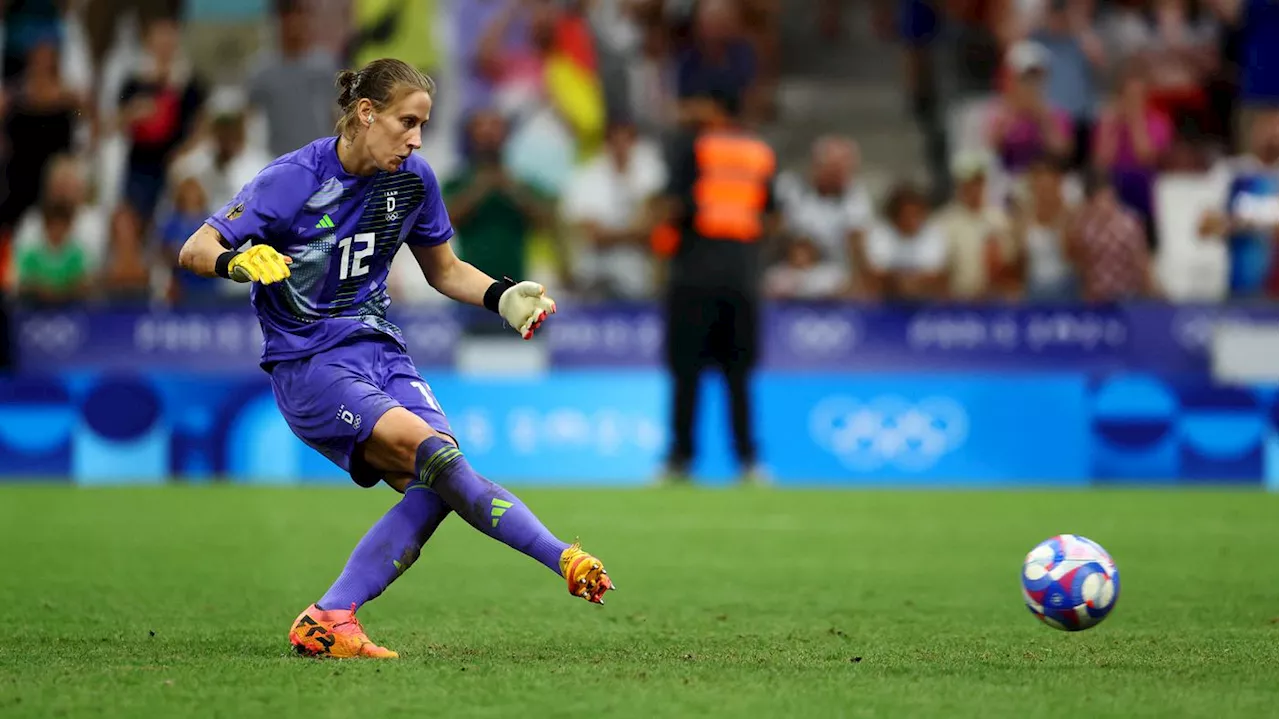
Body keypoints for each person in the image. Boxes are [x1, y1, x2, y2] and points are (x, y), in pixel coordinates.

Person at [177, 58, 614, 660]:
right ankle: (561, 556)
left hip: (382, 352)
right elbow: (196, 248)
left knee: (441, 482)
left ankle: (330, 616)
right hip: (311, 364)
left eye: (423, 126)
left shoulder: (413, 179)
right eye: (407, 122)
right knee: (434, 456)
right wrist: (235, 262)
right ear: (365, 113)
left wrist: (500, 296)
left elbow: (446, 270)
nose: (416, 139)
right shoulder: (291, 179)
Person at [657, 87, 778, 485]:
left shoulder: (692, 146)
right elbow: (772, 216)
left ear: (712, 106)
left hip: (694, 274)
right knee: (739, 375)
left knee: (686, 372)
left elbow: (672, 208)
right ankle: (748, 461)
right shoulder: (759, 152)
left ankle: (679, 460)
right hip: (741, 275)